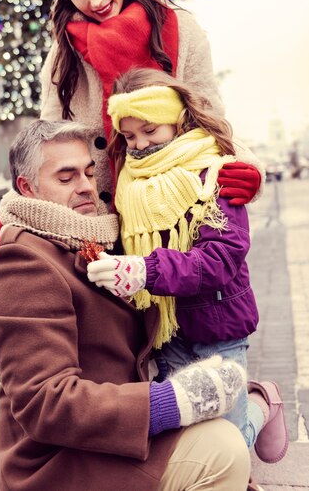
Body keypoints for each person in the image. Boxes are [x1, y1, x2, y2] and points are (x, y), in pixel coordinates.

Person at [0, 119, 251, 491]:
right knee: (224, 448)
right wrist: (169, 401)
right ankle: (259, 411)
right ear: (28, 188)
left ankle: (257, 409)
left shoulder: (91, 240)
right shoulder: (22, 264)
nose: (87, 186)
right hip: (57, 462)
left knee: (226, 439)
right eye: (66, 177)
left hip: (106, 438)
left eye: (89, 172)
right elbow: (44, 403)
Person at [87, 68, 289, 465]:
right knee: (190, 433)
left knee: (230, 440)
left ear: (178, 121)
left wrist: (145, 271)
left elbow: (222, 258)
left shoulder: (215, 170)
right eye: (129, 137)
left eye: (150, 131)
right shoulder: (129, 181)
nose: (140, 145)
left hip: (219, 328)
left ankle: (261, 404)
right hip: (164, 330)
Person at [39, 0, 263, 209]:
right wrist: (24, 206)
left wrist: (245, 167)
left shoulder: (180, 29)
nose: (95, 1)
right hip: (99, 221)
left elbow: (209, 116)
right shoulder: (64, 54)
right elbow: (50, 144)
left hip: (181, 207)